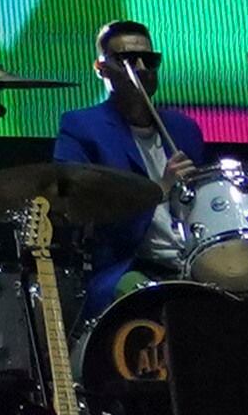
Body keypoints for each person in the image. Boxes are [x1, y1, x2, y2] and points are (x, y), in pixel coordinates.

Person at [48, 18, 208, 313]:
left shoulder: (184, 128)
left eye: (149, 60)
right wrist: (159, 189)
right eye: (127, 60)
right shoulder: (83, 126)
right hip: (129, 266)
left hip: (194, 259)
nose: (142, 70)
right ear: (102, 69)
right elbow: (75, 209)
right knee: (147, 299)